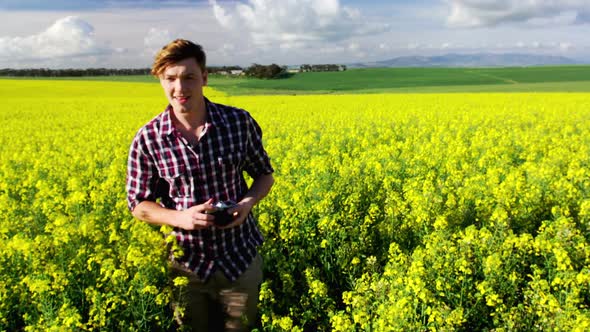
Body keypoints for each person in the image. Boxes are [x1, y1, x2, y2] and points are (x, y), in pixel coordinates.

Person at [126, 38, 274, 331]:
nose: (180, 88)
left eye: (189, 77)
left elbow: (264, 175)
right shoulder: (148, 139)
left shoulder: (238, 123)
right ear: (160, 79)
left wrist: (246, 204)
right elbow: (138, 204)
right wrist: (180, 218)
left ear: (204, 78)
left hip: (240, 258)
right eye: (170, 78)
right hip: (186, 267)